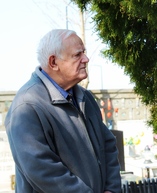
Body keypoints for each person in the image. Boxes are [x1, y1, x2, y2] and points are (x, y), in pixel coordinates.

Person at [5, 29, 121, 193]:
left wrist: (111, 189)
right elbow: (43, 171)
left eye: (84, 53)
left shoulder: (85, 97)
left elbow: (108, 145)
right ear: (53, 62)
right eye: (77, 55)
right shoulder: (27, 105)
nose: (86, 59)